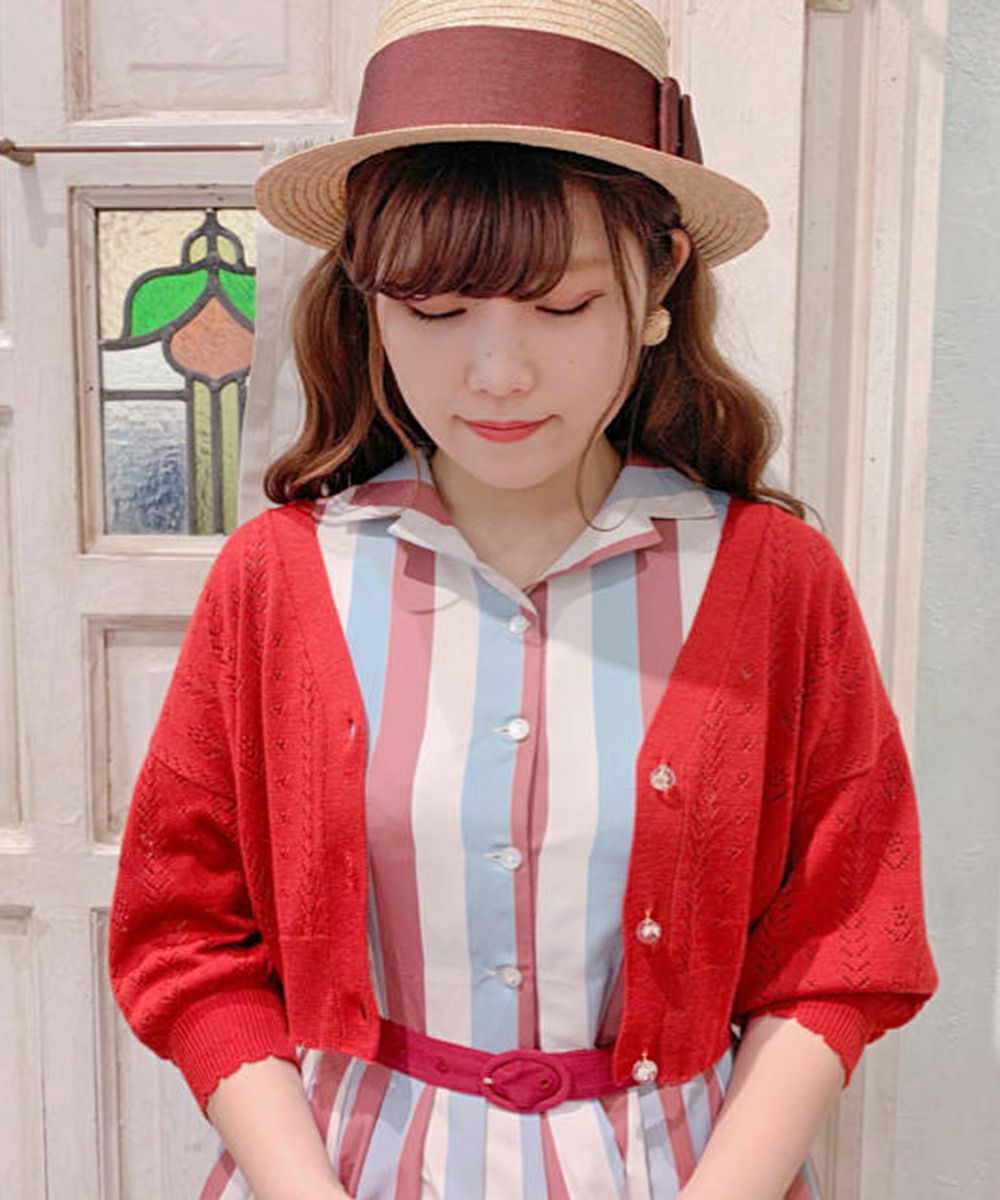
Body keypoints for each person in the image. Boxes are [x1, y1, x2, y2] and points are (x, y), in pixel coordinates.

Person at [106, 1, 939, 1198]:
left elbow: (842, 942)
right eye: (434, 313)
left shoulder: (773, 580)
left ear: (661, 279)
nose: (497, 373)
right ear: (367, 300)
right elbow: (186, 937)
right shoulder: (280, 578)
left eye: (563, 307)